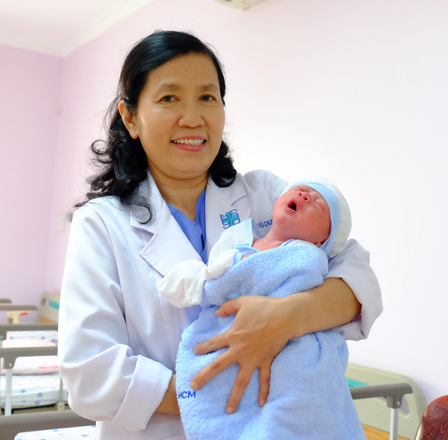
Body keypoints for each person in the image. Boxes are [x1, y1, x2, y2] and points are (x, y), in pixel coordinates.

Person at [58, 30, 382, 440]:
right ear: (131, 118)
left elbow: (358, 278)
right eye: (169, 98)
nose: (193, 117)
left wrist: (285, 319)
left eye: (207, 97)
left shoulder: (265, 196)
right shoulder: (102, 224)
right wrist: (222, 389)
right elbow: (91, 375)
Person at [159, 178, 367, 440]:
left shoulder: (305, 256)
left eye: (319, 204)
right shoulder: (237, 245)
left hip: (293, 356)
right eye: (302, 190)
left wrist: (214, 278)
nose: (305, 196)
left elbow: (306, 277)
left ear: (321, 241)